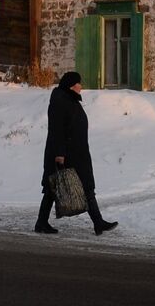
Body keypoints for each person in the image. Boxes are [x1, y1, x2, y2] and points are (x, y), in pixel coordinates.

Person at [35, 71, 118, 235]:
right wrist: (59, 153)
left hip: (77, 153)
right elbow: (56, 130)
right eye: (79, 83)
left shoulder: (69, 99)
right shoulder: (60, 101)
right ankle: (42, 223)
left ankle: (97, 222)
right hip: (65, 154)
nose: (81, 86)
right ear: (72, 85)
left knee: (83, 187)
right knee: (54, 188)